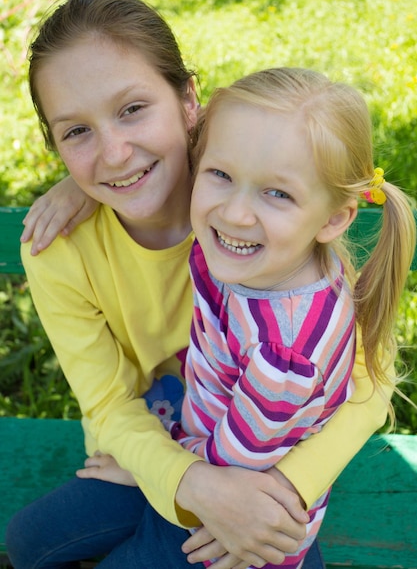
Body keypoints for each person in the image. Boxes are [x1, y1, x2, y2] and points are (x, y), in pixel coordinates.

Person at [5, 0, 399, 569]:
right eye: (76, 132)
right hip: (153, 439)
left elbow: (370, 385)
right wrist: (176, 476)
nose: (115, 153)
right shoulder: (59, 248)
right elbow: (109, 402)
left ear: (191, 103)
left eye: (133, 109)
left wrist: (285, 491)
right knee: (28, 541)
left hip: (261, 461)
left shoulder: (254, 217)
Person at [70, 67, 416, 569]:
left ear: (334, 218)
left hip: (229, 531)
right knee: (34, 535)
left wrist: (152, 472)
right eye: (221, 175)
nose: (234, 213)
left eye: (278, 193)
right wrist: (78, 185)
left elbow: (227, 481)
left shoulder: (285, 358)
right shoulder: (277, 255)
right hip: (197, 433)